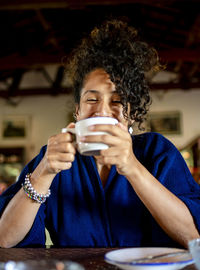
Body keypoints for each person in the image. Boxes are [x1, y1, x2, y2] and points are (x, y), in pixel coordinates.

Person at [0, 19, 200, 248]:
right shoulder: (53, 158)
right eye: (91, 99)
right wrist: (44, 172)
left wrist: (132, 167)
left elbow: (194, 237)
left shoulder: (158, 152)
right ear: (77, 111)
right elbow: (4, 239)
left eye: (117, 101)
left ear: (132, 114)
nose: (102, 111)